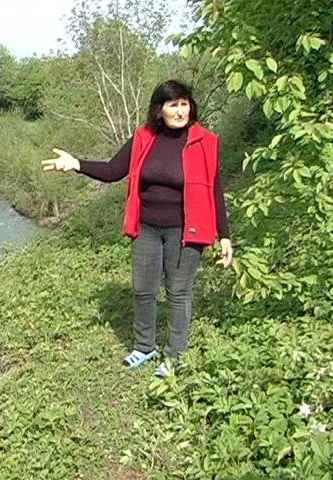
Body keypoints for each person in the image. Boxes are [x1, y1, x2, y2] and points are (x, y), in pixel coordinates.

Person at [42, 79, 233, 376]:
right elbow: (112, 170)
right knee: (143, 289)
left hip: (186, 230)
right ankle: (144, 347)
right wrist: (76, 164)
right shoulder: (144, 137)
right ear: (160, 110)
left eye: (184, 104)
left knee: (178, 292)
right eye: (173, 105)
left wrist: (225, 235)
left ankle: (175, 356)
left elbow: (214, 189)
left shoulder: (204, 141)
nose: (180, 111)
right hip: (146, 227)